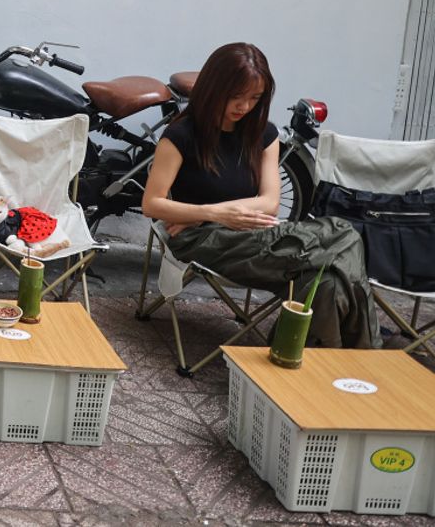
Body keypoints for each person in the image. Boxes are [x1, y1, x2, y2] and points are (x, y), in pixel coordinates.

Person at [142, 42, 379, 348]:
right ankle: (369, 355)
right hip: (202, 237)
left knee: (327, 283)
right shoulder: (181, 135)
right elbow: (151, 204)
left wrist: (217, 211)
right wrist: (212, 215)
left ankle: (293, 361)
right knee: (344, 235)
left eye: (254, 98)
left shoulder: (262, 135)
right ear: (215, 88)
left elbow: (270, 202)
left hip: (254, 232)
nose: (244, 106)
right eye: (236, 96)